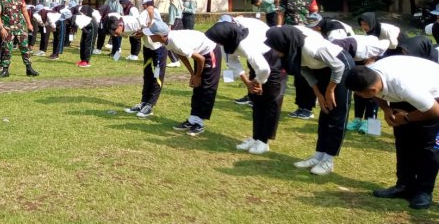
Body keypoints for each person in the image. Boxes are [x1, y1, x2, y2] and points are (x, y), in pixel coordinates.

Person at [344, 56, 439, 210]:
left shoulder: (404, 86)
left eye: (359, 94)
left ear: (371, 90)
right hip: (406, 92)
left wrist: (407, 118)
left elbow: (434, 111)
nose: (358, 96)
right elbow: (376, 93)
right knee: (403, 141)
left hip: (434, 95)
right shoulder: (370, 74)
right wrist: (386, 109)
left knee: (427, 147)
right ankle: (404, 185)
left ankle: (423, 191)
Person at [264, 26, 355, 176]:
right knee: (325, 112)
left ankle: (328, 161)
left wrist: (330, 90)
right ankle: (318, 156)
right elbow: (305, 70)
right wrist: (319, 94)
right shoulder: (292, 49)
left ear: (283, 43)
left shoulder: (311, 48)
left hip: (341, 66)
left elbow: (338, 67)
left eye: (275, 46)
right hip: (322, 68)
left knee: (336, 113)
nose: (274, 51)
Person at [207, 21, 284, 154]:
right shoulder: (226, 43)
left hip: (272, 57)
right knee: (256, 99)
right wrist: (248, 83)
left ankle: (264, 141)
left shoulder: (245, 45)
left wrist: (258, 81)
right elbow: (233, 63)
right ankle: (256, 137)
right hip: (258, 62)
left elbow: (264, 69)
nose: (216, 43)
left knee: (270, 100)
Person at [147, 22, 222, 136]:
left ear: (160, 36)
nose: (149, 36)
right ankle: (193, 120)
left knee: (207, 87)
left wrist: (197, 76)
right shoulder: (166, 41)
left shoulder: (175, 41)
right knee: (197, 87)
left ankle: (199, 124)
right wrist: (192, 74)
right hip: (200, 55)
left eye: (152, 34)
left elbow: (201, 59)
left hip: (210, 53)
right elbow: (181, 54)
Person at [278, 0, 320, 120]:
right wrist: (279, 28)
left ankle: (308, 107)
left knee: (305, 70)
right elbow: (280, 14)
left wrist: (315, 31)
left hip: (306, 35)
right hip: (290, 34)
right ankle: (301, 106)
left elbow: (315, 15)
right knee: (298, 72)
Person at [120, 0, 168, 118]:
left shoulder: (152, 10)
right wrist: (140, 32)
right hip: (147, 48)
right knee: (147, 75)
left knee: (157, 77)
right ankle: (143, 102)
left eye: (145, 4)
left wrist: (149, 22)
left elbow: (151, 10)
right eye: (143, 4)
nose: (144, 6)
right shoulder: (142, 13)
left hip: (158, 49)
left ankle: (150, 104)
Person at [333, 34, 391, 134]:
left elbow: (387, 44)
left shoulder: (375, 43)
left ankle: (371, 124)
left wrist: (374, 57)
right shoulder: (346, 44)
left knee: (372, 97)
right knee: (358, 94)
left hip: (373, 72)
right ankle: (358, 120)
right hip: (359, 70)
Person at [0, 0, 39, 78]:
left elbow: (24, 10)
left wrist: (29, 23)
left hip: (20, 27)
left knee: (25, 48)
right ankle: (5, 70)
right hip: (7, 28)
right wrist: (1, 28)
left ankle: (29, 69)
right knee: (7, 49)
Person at [165, 0, 184, 66]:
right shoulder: (179, 0)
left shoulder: (173, 3)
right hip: (180, 22)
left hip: (174, 22)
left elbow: (172, 16)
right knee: (176, 41)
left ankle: (175, 61)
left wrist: (169, 26)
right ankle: (177, 59)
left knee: (167, 41)